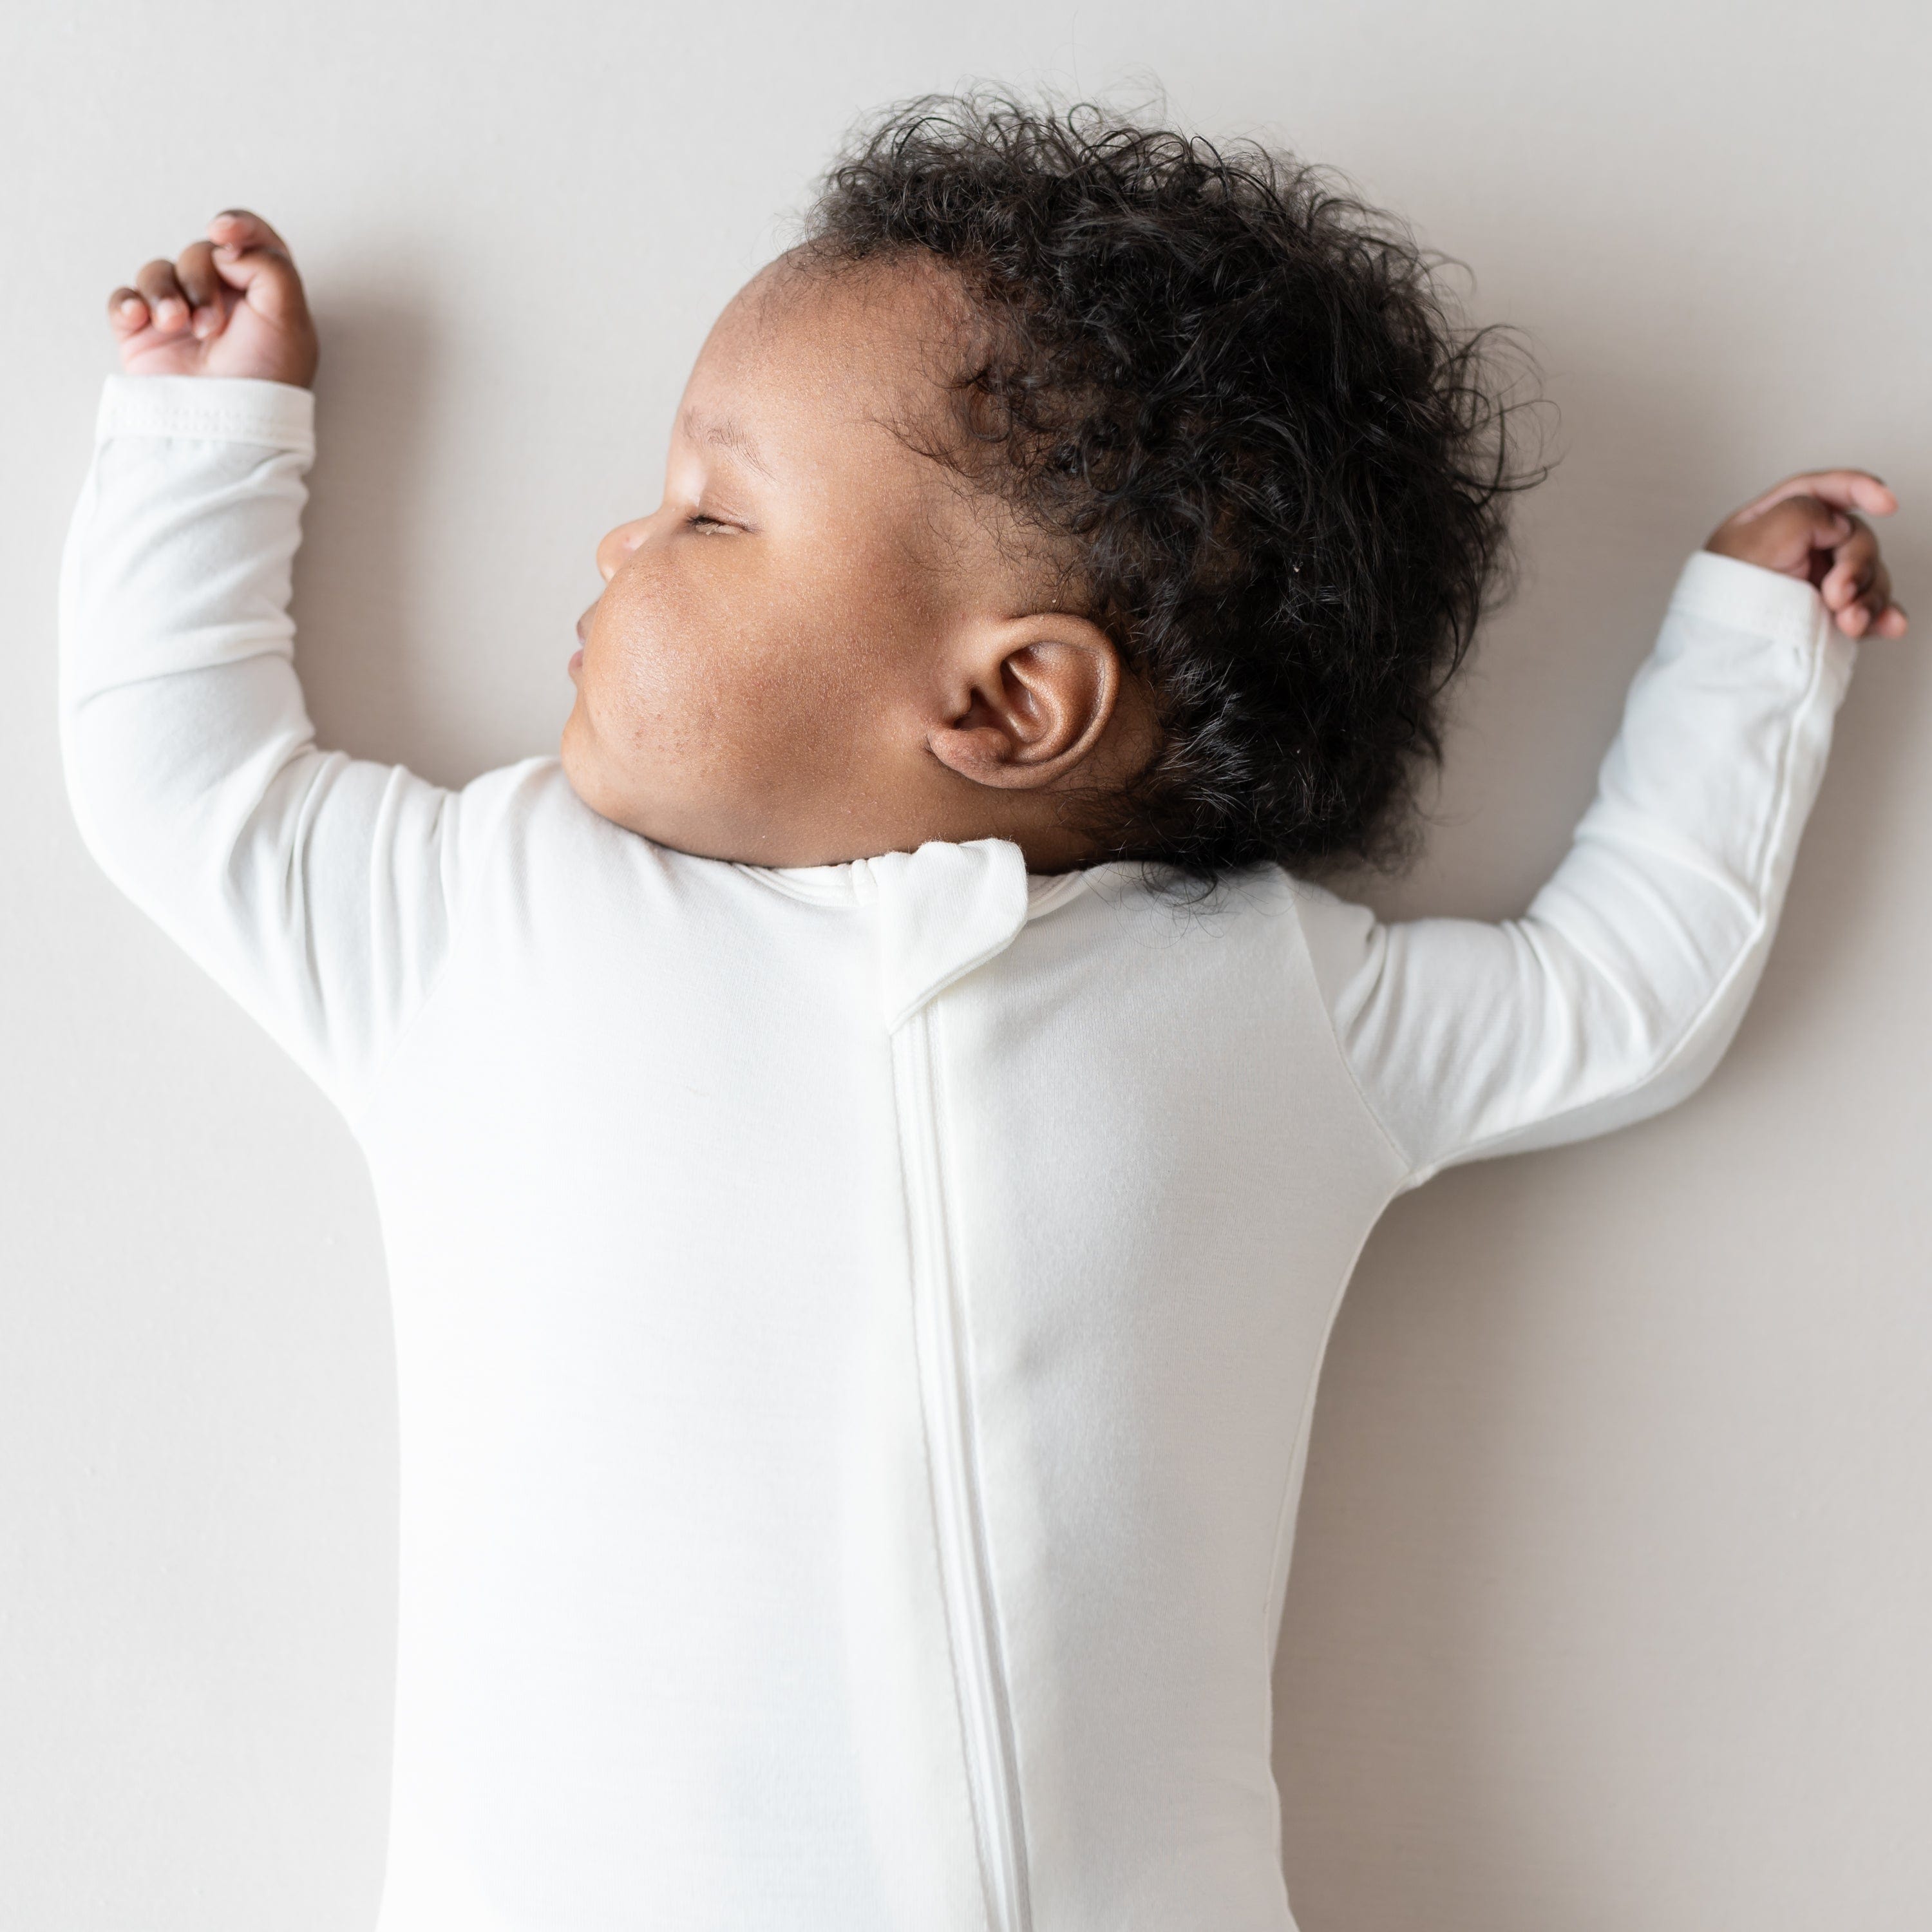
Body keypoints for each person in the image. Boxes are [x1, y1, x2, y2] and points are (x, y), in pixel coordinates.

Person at [61, 98, 1904, 1932]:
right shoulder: (486, 919)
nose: (624, 541)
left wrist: (1749, 655)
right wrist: (208, 432)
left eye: (712, 510)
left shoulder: (1264, 999)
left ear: (1013, 703)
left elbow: (1615, 997)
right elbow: (182, 782)